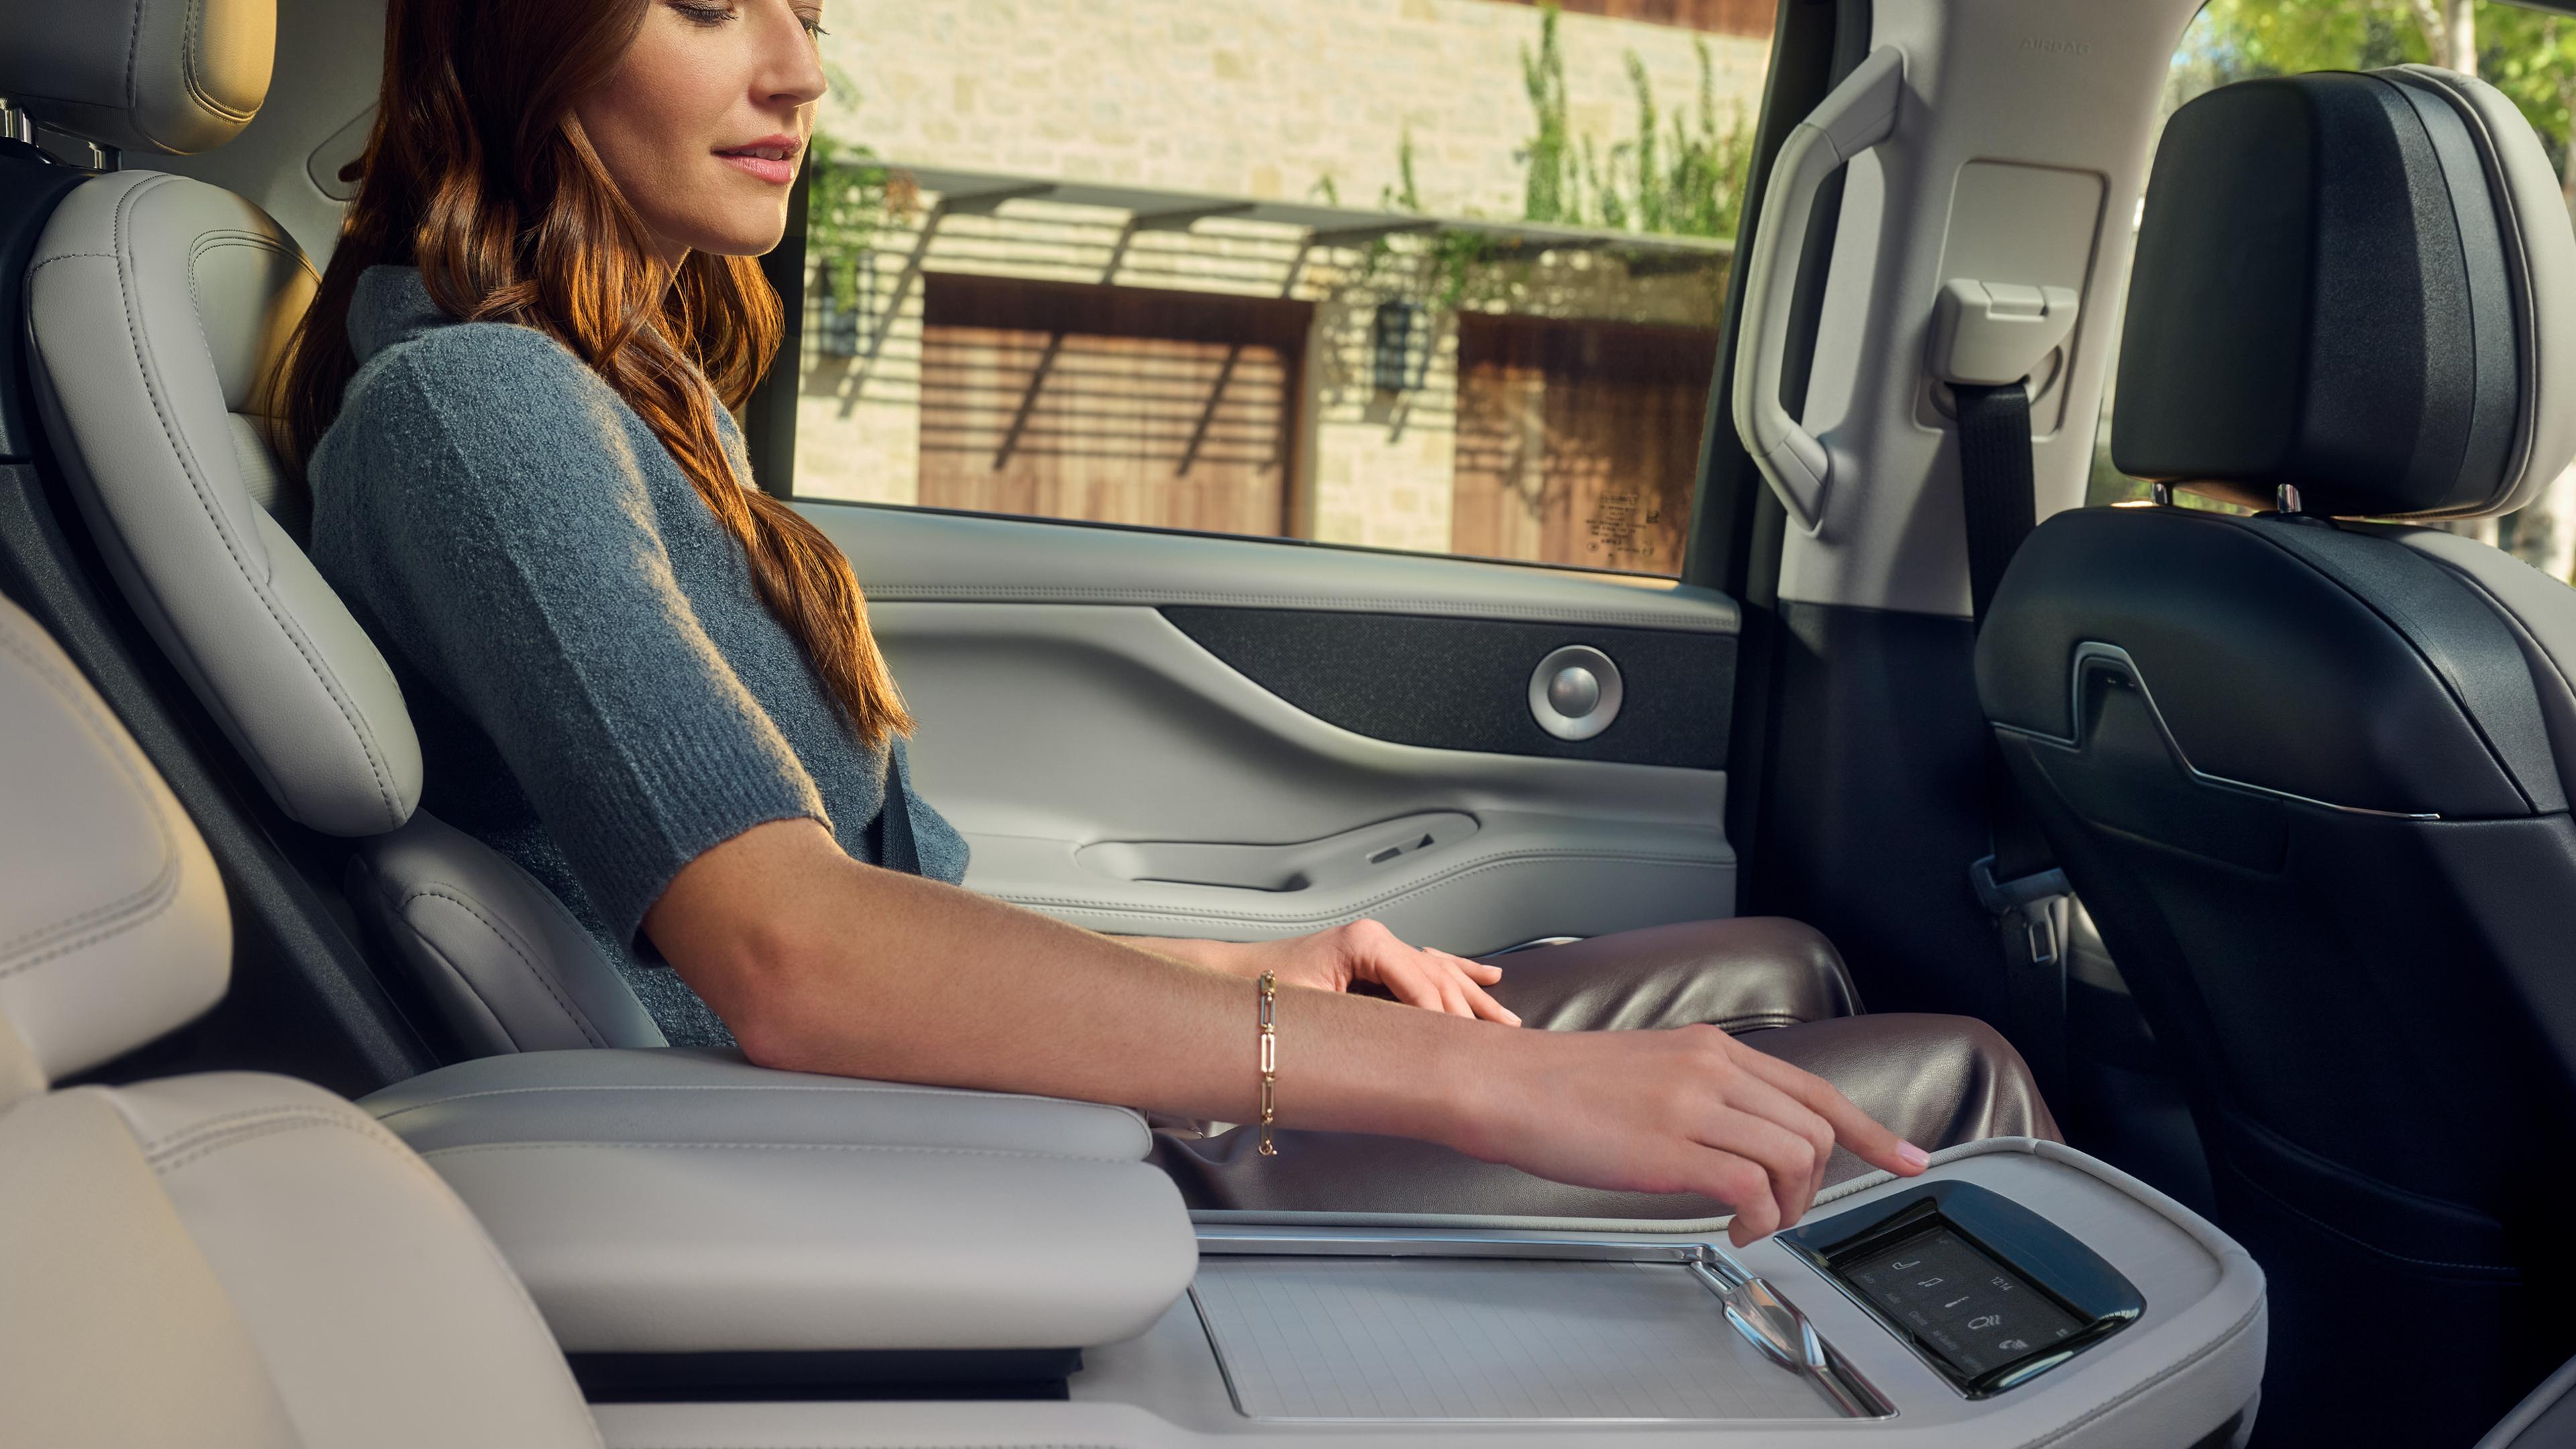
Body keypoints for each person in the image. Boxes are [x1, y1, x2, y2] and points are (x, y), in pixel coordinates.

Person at [293, 0, 2052, 1246]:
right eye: (709, 3)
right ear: (520, 28)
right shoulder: (478, 412)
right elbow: (800, 957)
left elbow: (877, 917)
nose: (800, 66)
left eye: (808, 4)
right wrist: (1478, 1093)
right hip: (886, 1161)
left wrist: (1233, 971)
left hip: (940, 1102)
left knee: (1784, 973)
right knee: (1953, 1080)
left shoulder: (627, 395)